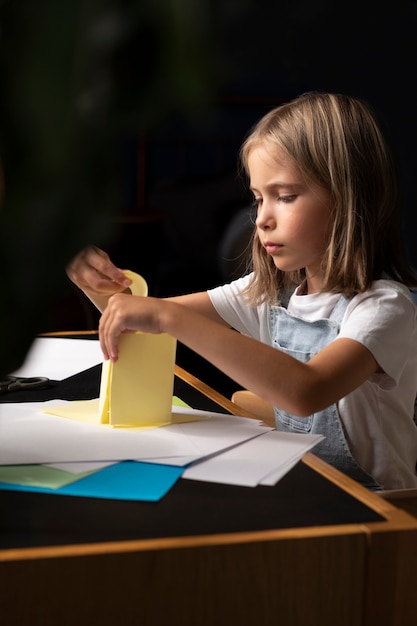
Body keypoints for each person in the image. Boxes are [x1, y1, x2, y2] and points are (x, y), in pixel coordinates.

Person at [66, 91, 417, 491]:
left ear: (350, 196)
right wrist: (91, 281)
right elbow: (140, 318)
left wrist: (167, 317)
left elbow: (307, 390)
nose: (262, 219)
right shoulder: (269, 293)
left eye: (285, 197)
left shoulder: (384, 307)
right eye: (257, 198)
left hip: (381, 516)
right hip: (301, 490)